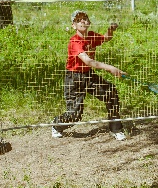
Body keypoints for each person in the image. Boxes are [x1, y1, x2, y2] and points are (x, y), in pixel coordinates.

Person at [52, 10, 127, 141]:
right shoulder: (74, 42)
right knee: (75, 114)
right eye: (78, 19)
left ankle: (116, 129)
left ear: (89, 23)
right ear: (73, 25)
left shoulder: (91, 36)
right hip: (74, 78)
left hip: (88, 75)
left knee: (110, 92)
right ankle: (57, 125)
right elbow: (88, 61)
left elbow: (106, 38)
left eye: (85, 19)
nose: (82, 21)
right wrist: (110, 68)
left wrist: (111, 30)